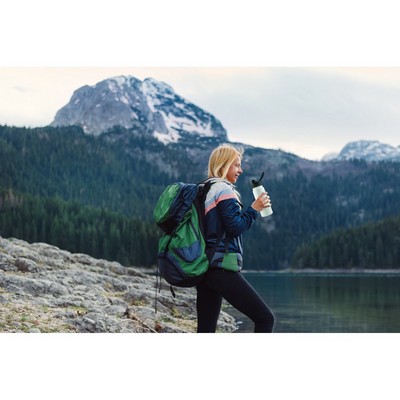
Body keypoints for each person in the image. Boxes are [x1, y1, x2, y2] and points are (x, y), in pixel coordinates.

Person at [196, 143, 275, 333]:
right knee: (265, 319)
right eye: (237, 165)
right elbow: (235, 227)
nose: (241, 170)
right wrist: (254, 209)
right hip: (221, 267)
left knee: (205, 330)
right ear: (224, 165)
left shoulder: (204, 188)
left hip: (204, 267)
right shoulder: (223, 190)